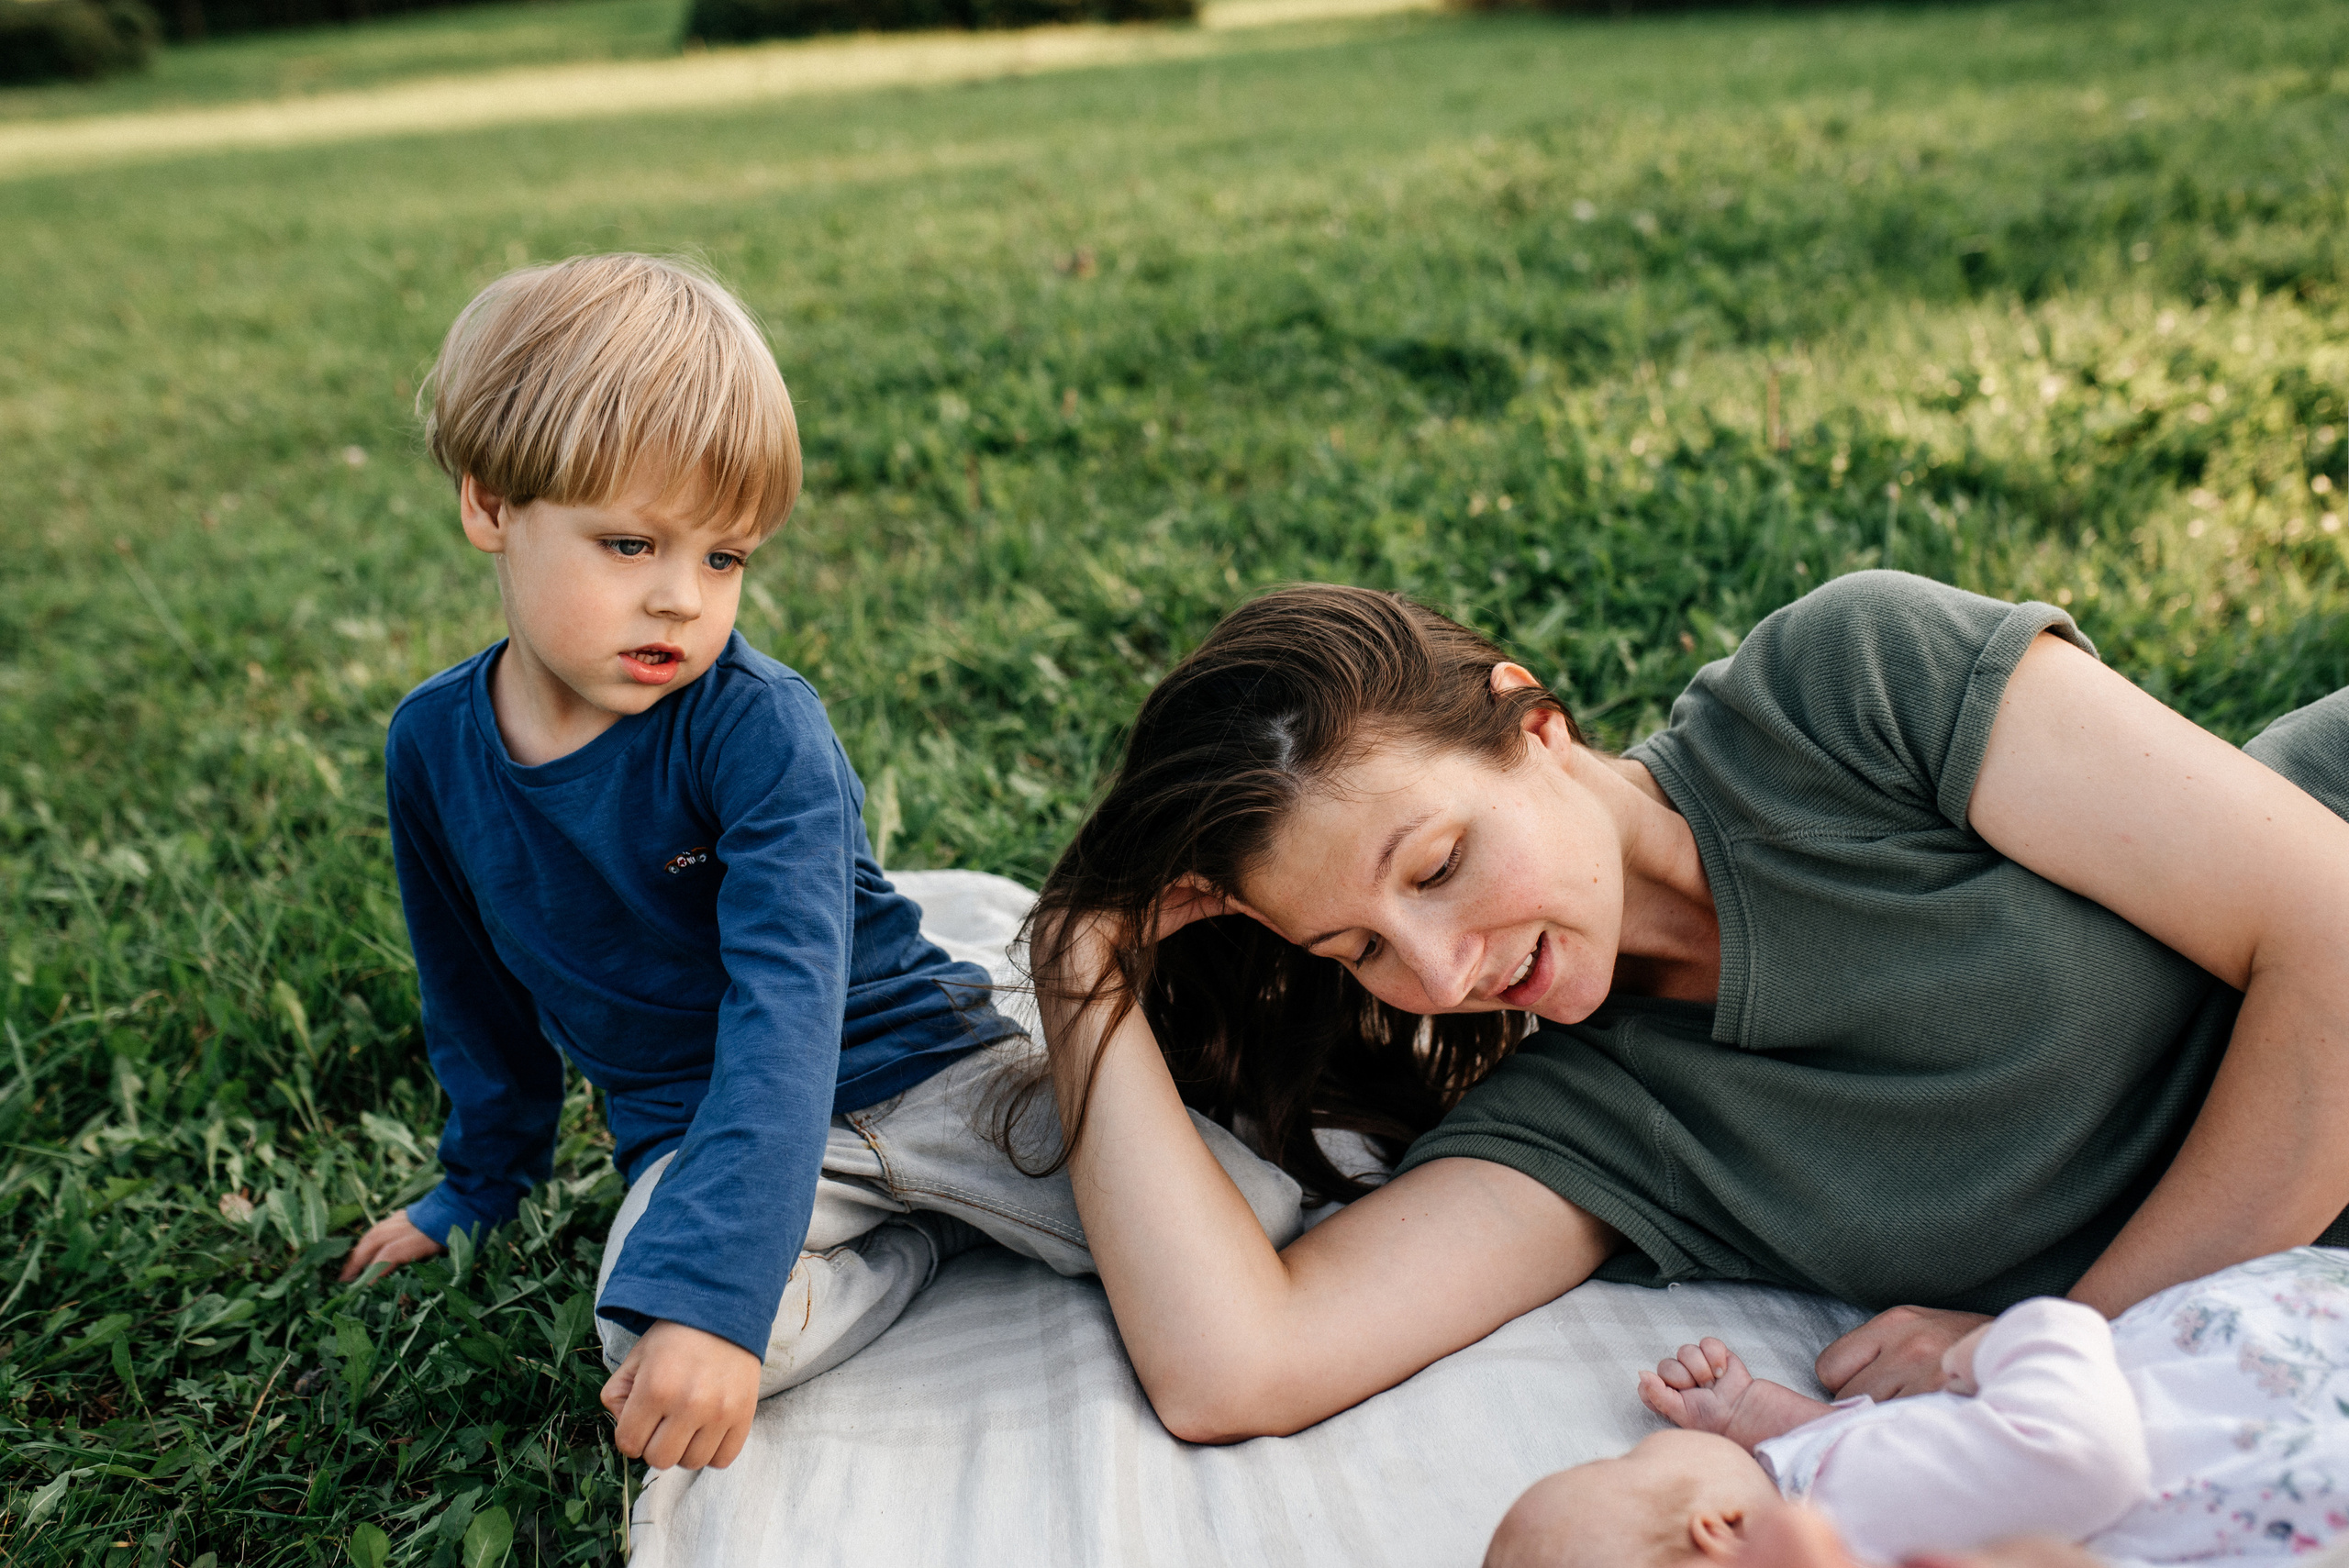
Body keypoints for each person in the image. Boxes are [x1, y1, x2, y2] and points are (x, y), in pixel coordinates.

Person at [338, 253, 1304, 1474]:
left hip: (918, 1066)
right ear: (490, 508)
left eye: (724, 558)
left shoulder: (757, 725)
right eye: (630, 544)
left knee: (1251, 1215)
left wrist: (725, 1288)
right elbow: (468, 985)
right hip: (701, 1130)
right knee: (650, 1339)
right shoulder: (434, 745)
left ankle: (951, 1183)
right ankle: (918, 1246)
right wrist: (482, 1185)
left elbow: (786, 1002)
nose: (682, 601)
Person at [1023, 573, 2349, 1444]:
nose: (1436, 975)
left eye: (1436, 866)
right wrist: (1078, 965)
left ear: (1530, 722)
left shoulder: (1843, 693)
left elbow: (2333, 935)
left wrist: (2051, 1347)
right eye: (1356, 945)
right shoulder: (1601, 1120)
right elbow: (1236, 1369)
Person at [1487, 1245, 2349, 1567]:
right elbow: (2080, 1454)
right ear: (1716, 1525)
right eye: (1619, 1461)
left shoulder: (1841, 1503)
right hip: (2277, 1415)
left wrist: (1750, 1410)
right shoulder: (1853, 1501)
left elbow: (1911, 1457)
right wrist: (2023, 1337)